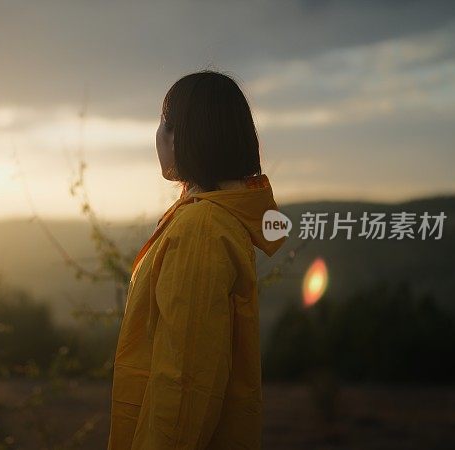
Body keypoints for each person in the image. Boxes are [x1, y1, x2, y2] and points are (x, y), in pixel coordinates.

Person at [107, 70, 286, 449]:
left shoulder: (200, 228)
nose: (157, 136)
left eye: (163, 124)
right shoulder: (208, 218)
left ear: (182, 136)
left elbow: (184, 382)